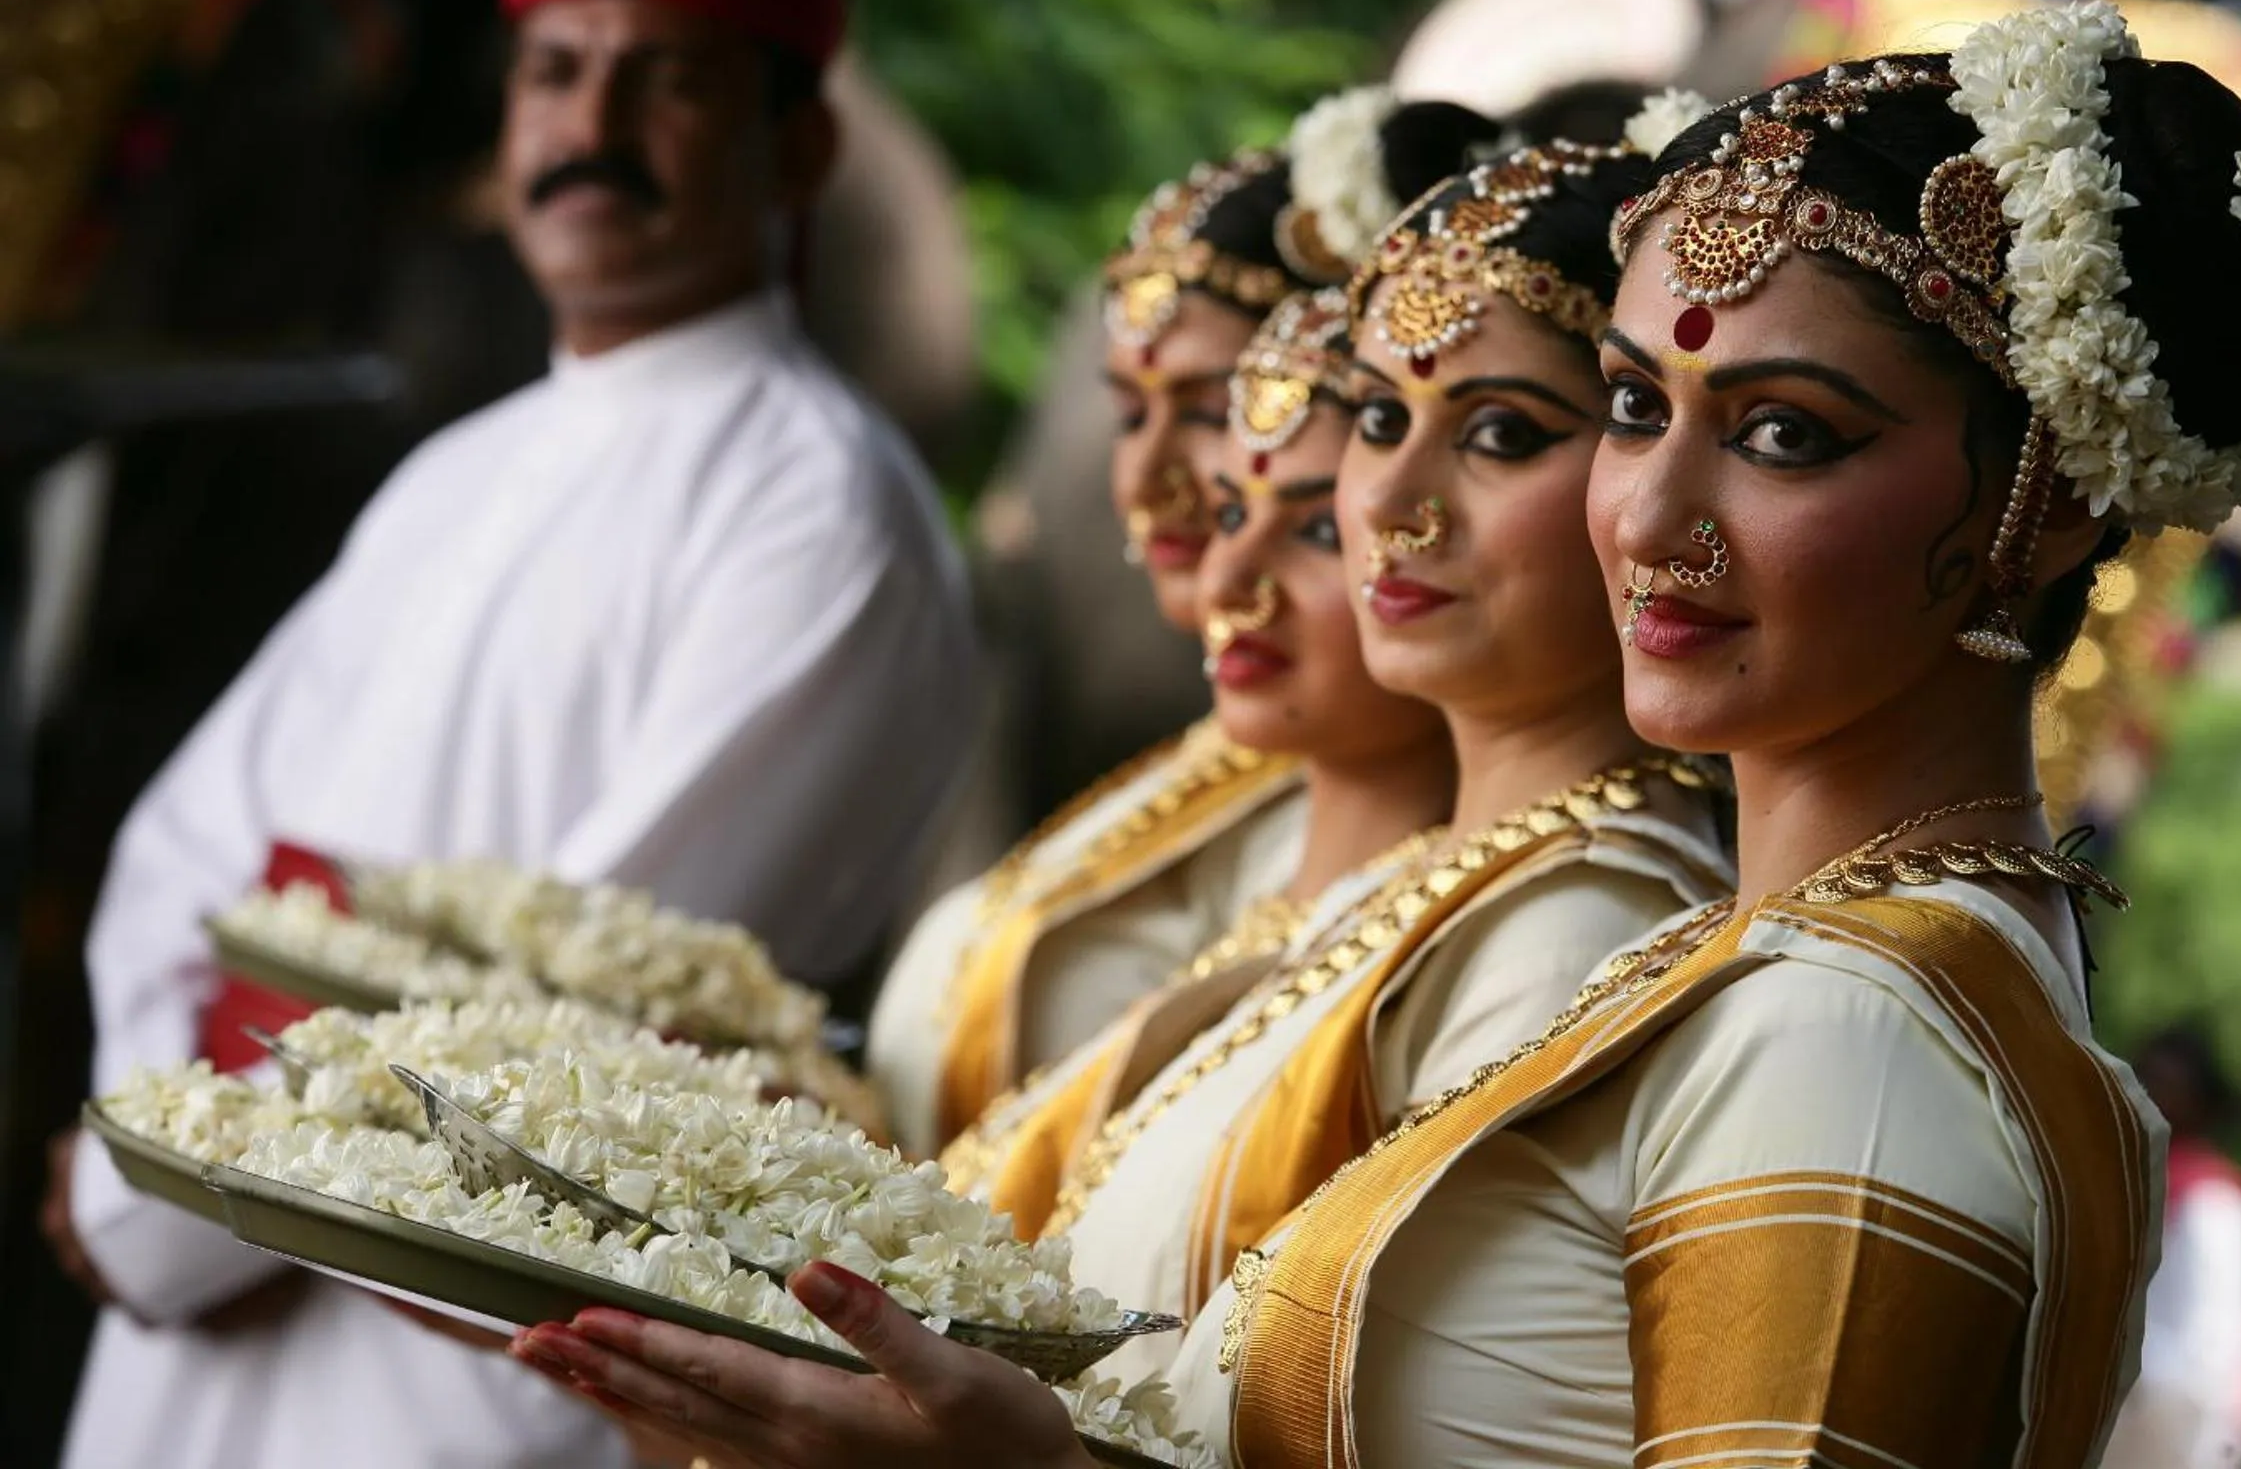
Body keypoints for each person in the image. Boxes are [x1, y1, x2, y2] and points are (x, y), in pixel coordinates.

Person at [502, 2, 2241, 1469]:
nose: (1651, 515)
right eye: (1633, 404)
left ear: (2050, 510)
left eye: (1784, 432)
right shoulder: (1783, 967)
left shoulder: (1859, 1037)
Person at [501, 112, 1741, 1433]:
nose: (1393, 502)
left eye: (1501, 433)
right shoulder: (1442, 888)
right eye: (1381, 417)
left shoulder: (1583, 942)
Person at [45, 0, 978, 1464]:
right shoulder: (452, 472)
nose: (590, 124)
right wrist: (154, 1155)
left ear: (801, 146)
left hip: (459, 1394)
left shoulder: (823, 515)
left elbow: (589, 1021)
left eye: (668, 79)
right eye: (557, 69)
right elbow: (175, 856)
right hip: (184, 1341)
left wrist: (165, 1209)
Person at [867, 94, 1495, 1157]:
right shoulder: (1228, 763)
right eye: (1127, 410)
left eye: (1210, 413)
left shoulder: (1395, 818)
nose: (1147, 481)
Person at [939, 286, 1458, 1236]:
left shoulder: (1508, 942)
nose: (1227, 579)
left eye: (1315, 532)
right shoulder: (1234, 802)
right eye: (1231, 513)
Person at [2101, 1026, 2241, 1469]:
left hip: (2180, 1435)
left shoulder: (2212, 1205)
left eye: (2169, 1086)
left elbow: (2215, 1355)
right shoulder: (2136, 1186)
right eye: (2146, 1080)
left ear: (2202, 1104)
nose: (2153, 1096)